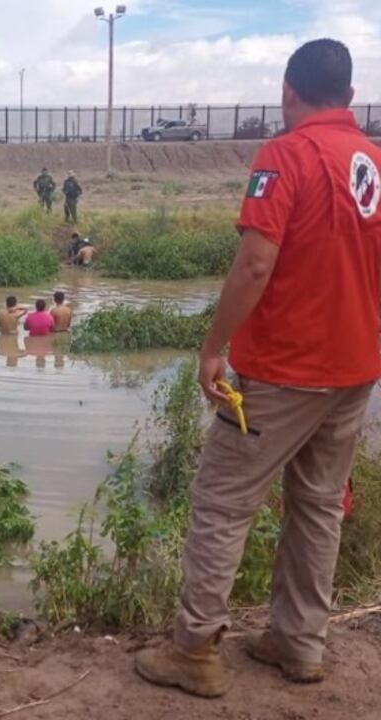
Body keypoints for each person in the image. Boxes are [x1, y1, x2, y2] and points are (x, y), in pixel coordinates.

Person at [134, 38, 381, 697]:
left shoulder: (286, 154)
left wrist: (213, 347)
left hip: (283, 370)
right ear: (351, 98)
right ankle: (299, 644)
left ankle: (193, 651)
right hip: (355, 369)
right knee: (319, 506)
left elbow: (254, 263)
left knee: (221, 501)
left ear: (288, 92)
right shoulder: (376, 163)